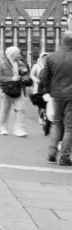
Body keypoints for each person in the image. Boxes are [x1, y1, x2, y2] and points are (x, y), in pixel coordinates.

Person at [0, 46, 31, 136]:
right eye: (18, 53)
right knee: (4, 110)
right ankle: (3, 128)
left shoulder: (21, 64)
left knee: (21, 109)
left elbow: (26, 74)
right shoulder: (1, 64)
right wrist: (11, 79)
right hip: (6, 90)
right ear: (12, 54)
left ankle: (20, 129)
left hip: (18, 89)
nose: (19, 54)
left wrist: (26, 78)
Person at [46, 34, 72, 166]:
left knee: (56, 123)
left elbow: (45, 76)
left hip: (56, 94)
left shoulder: (52, 56)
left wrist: (48, 91)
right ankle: (65, 156)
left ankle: (52, 151)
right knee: (69, 127)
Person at [32, 52, 51, 135]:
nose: (44, 59)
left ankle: (46, 118)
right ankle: (41, 117)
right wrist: (36, 80)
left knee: (47, 104)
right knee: (40, 103)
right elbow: (32, 74)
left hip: (47, 87)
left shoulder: (50, 65)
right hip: (39, 86)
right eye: (43, 57)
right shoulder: (36, 66)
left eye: (46, 57)